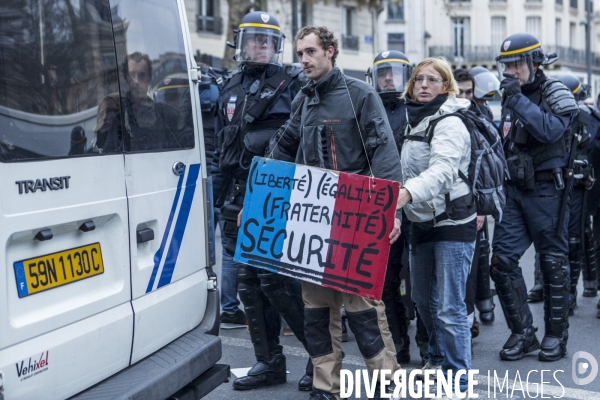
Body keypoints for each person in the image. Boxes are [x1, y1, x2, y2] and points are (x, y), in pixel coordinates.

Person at [269, 26, 402, 400]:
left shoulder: (361, 95)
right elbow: (283, 146)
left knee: (363, 310)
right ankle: (327, 387)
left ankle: (386, 382)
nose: (304, 60)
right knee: (316, 311)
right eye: (299, 54)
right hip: (311, 219)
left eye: (311, 52)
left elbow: (385, 157)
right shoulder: (303, 99)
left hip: (355, 217)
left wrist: (392, 213)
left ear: (331, 52)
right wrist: (260, 183)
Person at [211, 12, 313, 392]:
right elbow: (222, 144)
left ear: (277, 46)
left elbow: (305, 141)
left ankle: (320, 359)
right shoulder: (231, 84)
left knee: (276, 281)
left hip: (275, 194)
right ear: (241, 43)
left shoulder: (293, 83)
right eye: (254, 39)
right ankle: (268, 361)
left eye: (268, 41)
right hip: (237, 194)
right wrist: (217, 198)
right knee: (247, 283)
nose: (261, 46)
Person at [492, 33, 578, 361]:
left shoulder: (553, 91)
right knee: (500, 261)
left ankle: (556, 336)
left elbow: (551, 131)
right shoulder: (515, 95)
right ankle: (523, 332)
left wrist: (516, 101)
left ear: (534, 62)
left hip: (547, 190)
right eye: (507, 64)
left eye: (516, 63)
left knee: (553, 263)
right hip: (516, 189)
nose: (510, 71)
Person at [397, 57, 475, 391]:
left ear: (446, 86)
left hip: (453, 223)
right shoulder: (412, 121)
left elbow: (443, 171)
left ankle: (458, 380)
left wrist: (405, 194)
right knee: (421, 300)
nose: (424, 85)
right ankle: (437, 357)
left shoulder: (450, 122)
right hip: (420, 220)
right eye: (419, 79)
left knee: (449, 307)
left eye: (432, 79)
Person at [366, 50, 412, 364]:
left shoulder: (414, 110)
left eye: (394, 73)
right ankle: (398, 342)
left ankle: (425, 338)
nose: (388, 79)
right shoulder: (367, 108)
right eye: (383, 73)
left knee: (420, 280)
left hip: (414, 201)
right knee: (388, 278)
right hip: (383, 203)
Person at [454, 68, 496, 328]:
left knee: (476, 260)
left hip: (473, 201)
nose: (465, 97)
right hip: (445, 203)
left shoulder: (480, 115)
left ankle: (475, 315)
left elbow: (486, 166)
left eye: (469, 92)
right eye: (460, 92)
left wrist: (481, 207)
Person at [104, 52, 193, 152]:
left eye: (142, 75)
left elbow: (190, 145)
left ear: (149, 78)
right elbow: (108, 159)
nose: (136, 81)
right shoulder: (119, 121)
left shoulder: (166, 114)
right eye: (132, 75)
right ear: (126, 78)